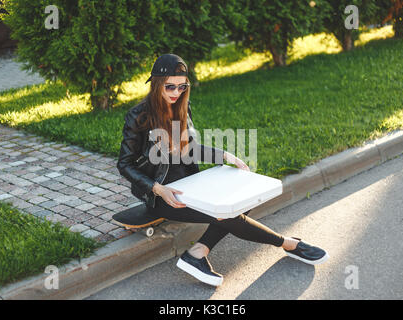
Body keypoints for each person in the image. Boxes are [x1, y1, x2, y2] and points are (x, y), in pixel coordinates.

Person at [117, 53, 328, 287]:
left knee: (242, 195)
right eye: (170, 87)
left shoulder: (181, 108)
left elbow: (191, 148)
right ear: (157, 84)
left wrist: (227, 156)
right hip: (164, 195)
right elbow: (124, 165)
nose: (176, 92)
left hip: (192, 185)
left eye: (182, 86)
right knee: (226, 213)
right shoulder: (138, 116)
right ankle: (288, 243)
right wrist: (158, 189)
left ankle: (198, 252)